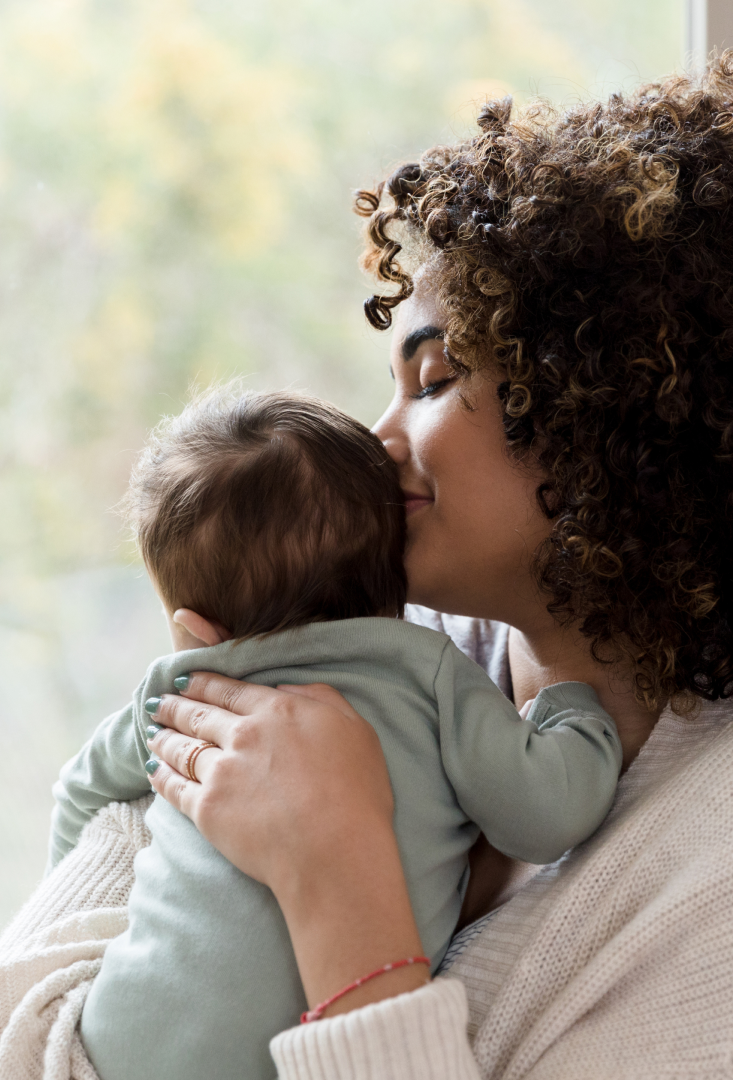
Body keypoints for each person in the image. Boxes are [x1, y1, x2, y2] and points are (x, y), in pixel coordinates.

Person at [0, 51, 733, 1080]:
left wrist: (342, 889)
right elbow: (25, 1028)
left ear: (623, 416)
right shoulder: (379, 646)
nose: (378, 438)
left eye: (436, 379)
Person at [51, 389, 620, 1080]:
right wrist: (575, 707)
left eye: (431, 380)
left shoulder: (178, 692)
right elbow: (548, 817)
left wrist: (83, 929)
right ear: (397, 575)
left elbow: (80, 792)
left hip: (117, 1040)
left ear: (198, 628)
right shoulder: (429, 674)